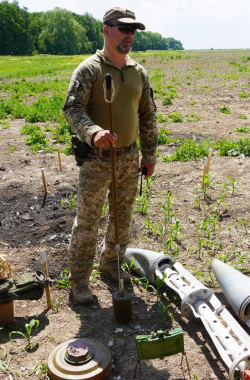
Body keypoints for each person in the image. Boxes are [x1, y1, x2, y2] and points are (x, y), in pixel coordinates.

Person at [63, 6, 158, 304]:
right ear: (106, 30)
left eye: (133, 30)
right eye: (123, 28)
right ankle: (79, 281)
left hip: (130, 158)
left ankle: (112, 265)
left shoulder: (138, 72)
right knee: (88, 221)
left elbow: (147, 116)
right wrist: (93, 132)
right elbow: (72, 109)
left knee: (122, 219)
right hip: (96, 160)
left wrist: (149, 155)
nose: (129, 35)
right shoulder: (90, 69)